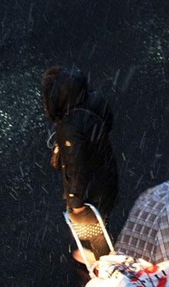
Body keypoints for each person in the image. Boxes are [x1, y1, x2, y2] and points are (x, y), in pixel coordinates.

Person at [41, 65, 118, 261]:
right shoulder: (94, 101)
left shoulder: (68, 126)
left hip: (92, 187)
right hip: (106, 172)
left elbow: (76, 166)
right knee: (102, 217)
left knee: (92, 225)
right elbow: (108, 122)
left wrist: (75, 200)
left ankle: (105, 261)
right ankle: (103, 254)